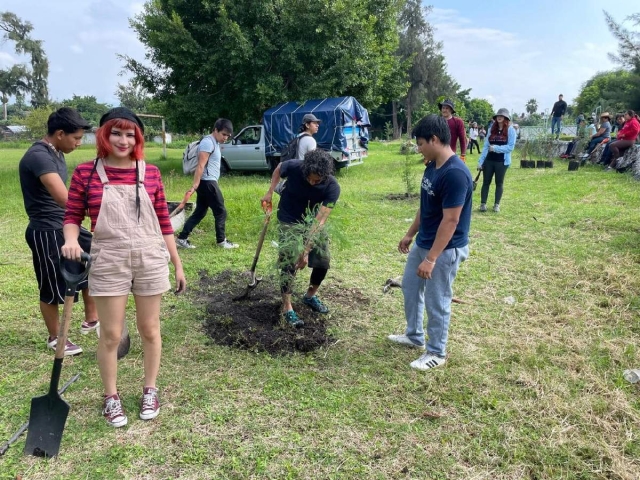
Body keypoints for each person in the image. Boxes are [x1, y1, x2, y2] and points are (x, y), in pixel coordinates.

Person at [61, 107, 186, 427]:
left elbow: (163, 221)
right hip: (109, 259)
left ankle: (150, 389)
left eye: (130, 134)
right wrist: (71, 240)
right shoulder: (86, 173)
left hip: (149, 256)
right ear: (104, 134)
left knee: (150, 329)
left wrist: (177, 263)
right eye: (116, 132)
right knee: (111, 334)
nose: (123, 139)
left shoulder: (152, 173)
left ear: (138, 138)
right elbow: (72, 217)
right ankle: (111, 397)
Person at [387, 114, 471, 371]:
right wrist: (410, 233)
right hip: (423, 242)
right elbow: (425, 207)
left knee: (438, 301)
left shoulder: (455, 174)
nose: (419, 148)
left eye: (421, 143)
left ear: (435, 139)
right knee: (411, 289)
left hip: (445, 249)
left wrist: (432, 258)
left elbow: (451, 221)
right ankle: (414, 336)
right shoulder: (431, 166)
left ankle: (437, 352)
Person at [18, 107, 99, 356]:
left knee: (96, 257)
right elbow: (65, 199)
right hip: (47, 230)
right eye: (75, 138)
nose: (78, 143)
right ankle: (56, 338)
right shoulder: (39, 156)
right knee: (52, 285)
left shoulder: (56, 152)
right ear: (60, 133)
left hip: (64, 225)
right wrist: (100, 209)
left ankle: (91, 320)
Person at [261, 150, 340, 327]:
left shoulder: (332, 187)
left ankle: (310, 296)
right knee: (289, 260)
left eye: (317, 180)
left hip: (312, 220)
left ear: (325, 176)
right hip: (288, 216)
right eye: (309, 178)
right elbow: (279, 169)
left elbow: (320, 221)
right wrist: (270, 192)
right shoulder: (295, 166)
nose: (312, 182)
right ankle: (287, 307)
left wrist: (305, 250)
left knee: (323, 259)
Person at [176, 118, 238, 249]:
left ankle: (182, 238)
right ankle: (222, 241)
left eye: (228, 135)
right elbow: (200, 166)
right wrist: (195, 185)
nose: (225, 137)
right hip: (207, 182)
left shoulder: (214, 142)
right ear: (215, 130)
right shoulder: (208, 143)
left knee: (200, 212)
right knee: (221, 211)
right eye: (223, 134)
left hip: (207, 182)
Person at [477, 108, 517, 213]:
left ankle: (496, 204)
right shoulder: (491, 129)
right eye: (498, 115)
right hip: (489, 160)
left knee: (499, 183)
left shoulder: (511, 130)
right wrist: (481, 161)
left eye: (502, 116)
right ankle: (483, 204)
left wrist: (495, 148)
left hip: (502, 162)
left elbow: (510, 147)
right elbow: (486, 146)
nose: (499, 117)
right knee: (486, 182)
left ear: (506, 118)